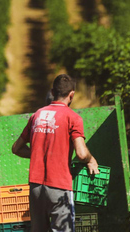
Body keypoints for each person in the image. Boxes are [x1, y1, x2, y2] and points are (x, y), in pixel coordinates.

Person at [11, 74, 99, 232]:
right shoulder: (73, 118)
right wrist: (91, 160)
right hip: (59, 186)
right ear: (71, 94)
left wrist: (39, 153)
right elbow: (80, 152)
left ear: (52, 91)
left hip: (36, 187)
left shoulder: (36, 115)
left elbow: (16, 148)